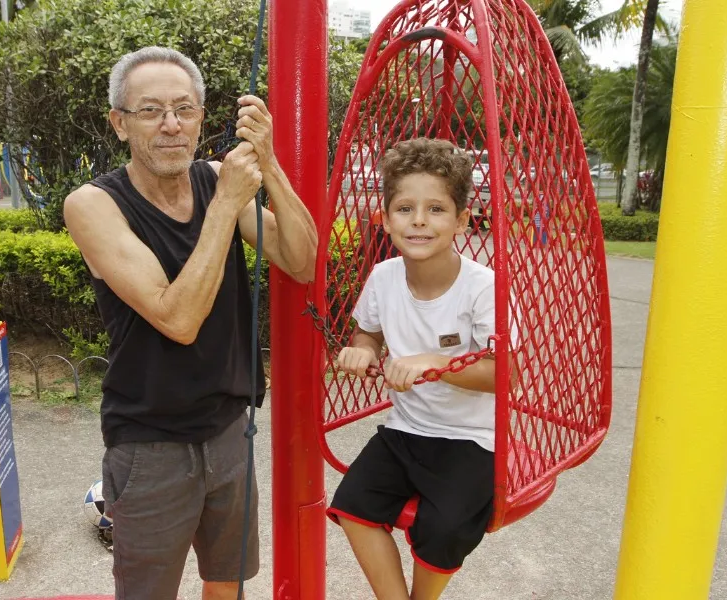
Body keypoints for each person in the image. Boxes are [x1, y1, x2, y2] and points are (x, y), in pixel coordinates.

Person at [63, 47, 317, 600]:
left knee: (227, 580)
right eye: (151, 110)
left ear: (202, 116)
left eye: (185, 108)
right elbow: (177, 318)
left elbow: (301, 260)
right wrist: (225, 205)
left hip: (229, 427)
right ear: (119, 123)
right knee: (148, 591)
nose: (171, 125)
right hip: (150, 441)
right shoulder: (93, 204)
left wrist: (268, 165)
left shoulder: (214, 178)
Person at [325, 137, 496, 600]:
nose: (419, 220)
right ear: (385, 218)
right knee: (352, 506)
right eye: (405, 208)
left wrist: (437, 364)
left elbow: (504, 373)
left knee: (443, 529)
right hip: (407, 429)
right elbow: (369, 333)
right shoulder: (384, 277)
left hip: (471, 440)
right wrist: (361, 349)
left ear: (462, 220)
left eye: (436, 209)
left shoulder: (483, 288)